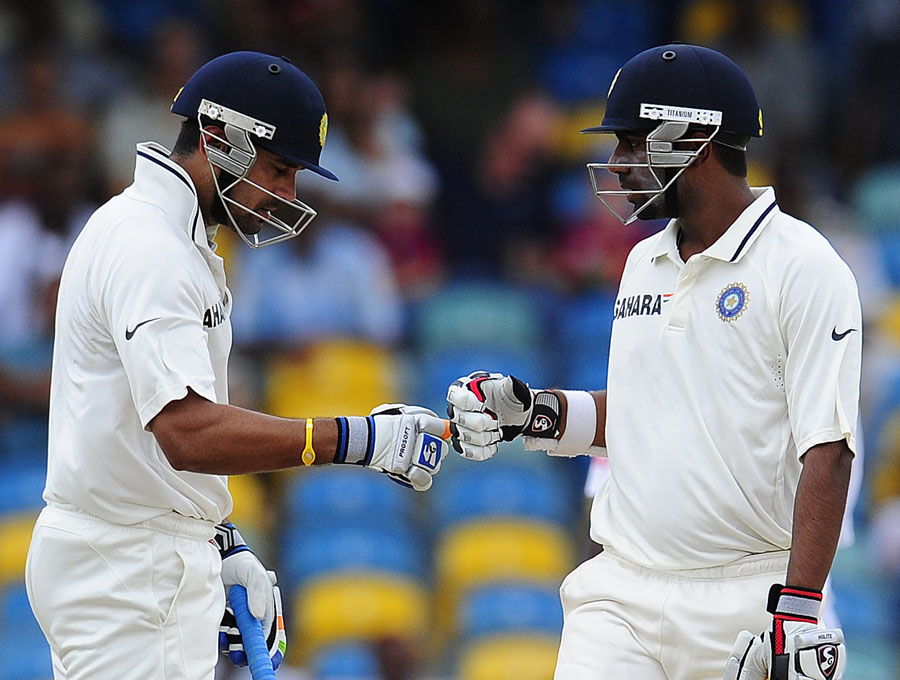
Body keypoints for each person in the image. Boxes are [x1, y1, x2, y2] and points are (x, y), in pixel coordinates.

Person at [24, 51, 448, 680]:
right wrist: (355, 439)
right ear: (220, 137)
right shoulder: (152, 247)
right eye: (279, 170)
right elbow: (186, 433)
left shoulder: (167, 234)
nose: (288, 196)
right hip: (131, 570)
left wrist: (217, 540)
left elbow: (134, 434)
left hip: (136, 555)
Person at [447, 44, 859, 680]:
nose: (615, 164)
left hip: (747, 595)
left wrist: (799, 612)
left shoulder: (803, 266)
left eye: (632, 142)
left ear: (692, 138)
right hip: (621, 594)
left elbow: (828, 449)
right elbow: (643, 414)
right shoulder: (643, 261)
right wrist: (535, 414)